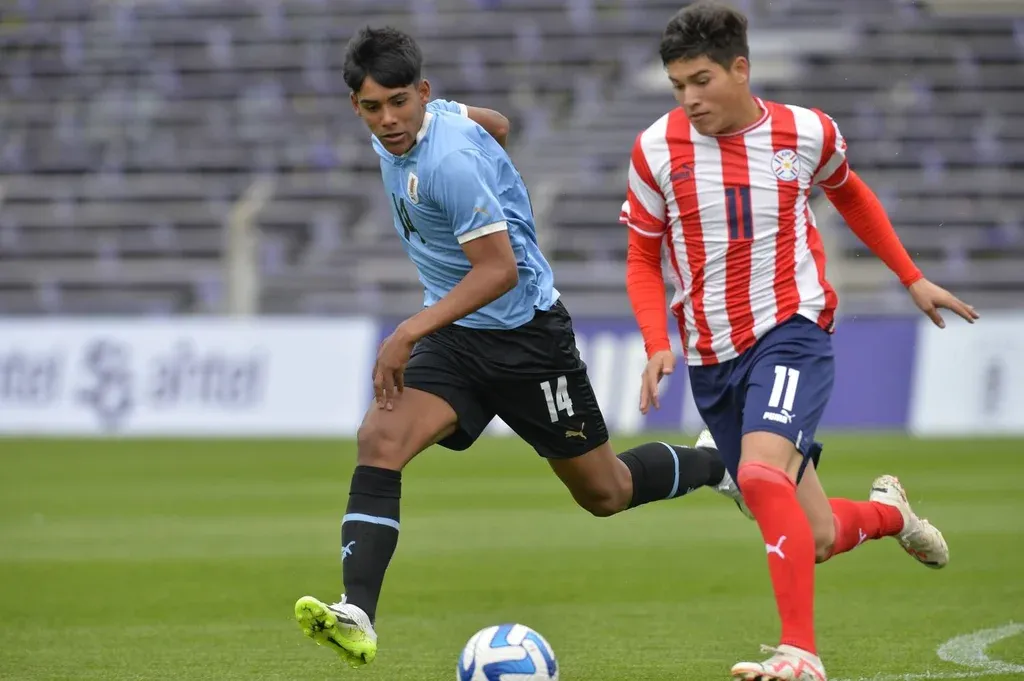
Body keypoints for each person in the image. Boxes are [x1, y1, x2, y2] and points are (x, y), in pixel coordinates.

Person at [293, 24, 750, 670]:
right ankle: (357, 612)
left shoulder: (448, 162)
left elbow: (499, 270)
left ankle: (713, 463)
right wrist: (479, 149)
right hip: (458, 338)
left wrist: (406, 331)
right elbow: (500, 124)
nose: (389, 120)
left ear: (422, 92)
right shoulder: (413, 126)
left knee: (606, 492)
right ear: (356, 105)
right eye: (374, 107)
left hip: (527, 339)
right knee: (381, 439)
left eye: (399, 102)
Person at [621, 3, 979, 679]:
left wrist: (911, 276)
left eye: (701, 80)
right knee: (814, 535)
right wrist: (654, 339)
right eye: (677, 85)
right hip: (711, 359)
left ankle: (801, 654)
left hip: (792, 332)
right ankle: (890, 514)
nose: (689, 98)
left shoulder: (807, 132)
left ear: (740, 69)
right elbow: (642, 257)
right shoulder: (655, 149)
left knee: (760, 475)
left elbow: (851, 194)